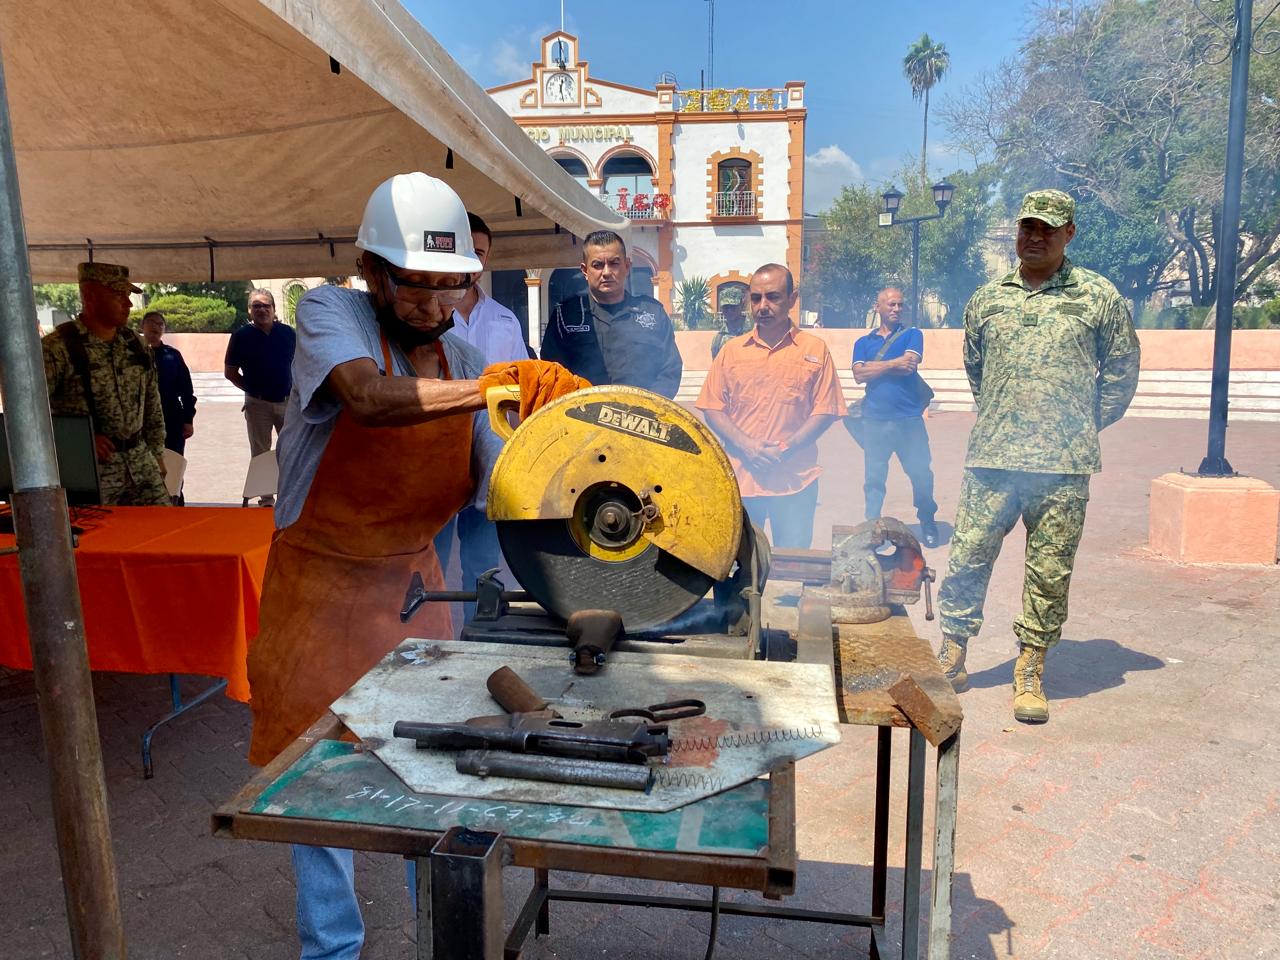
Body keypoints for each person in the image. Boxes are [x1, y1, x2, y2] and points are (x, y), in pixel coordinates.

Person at [244, 172, 586, 960]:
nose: (436, 306)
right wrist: (491, 389)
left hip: (413, 599)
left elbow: (503, 487)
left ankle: (442, 937)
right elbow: (368, 399)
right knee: (318, 795)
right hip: (319, 597)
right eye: (418, 287)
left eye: (451, 287)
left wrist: (566, 440)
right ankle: (331, 950)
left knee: (427, 786)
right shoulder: (332, 312)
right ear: (372, 269)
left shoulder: (464, 357)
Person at [935, 189, 1140, 724]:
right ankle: (953, 653)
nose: (1036, 237)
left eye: (1048, 229)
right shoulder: (987, 298)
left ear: (1069, 233)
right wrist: (1008, 416)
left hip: (1064, 465)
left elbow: (1121, 375)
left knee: (1049, 571)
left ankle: (1029, 668)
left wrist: (1077, 425)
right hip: (994, 458)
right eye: (1028, 227)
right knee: (967, 557)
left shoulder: (1099, 297)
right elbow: (977, 371)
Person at [696, 264, 844, 549]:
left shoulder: (814, 350)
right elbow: (712, 406)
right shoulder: (731, 351)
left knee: (791, 567)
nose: (763, 306)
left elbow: (826, 409)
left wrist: (784, 448)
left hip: (794, 482)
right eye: (756, 298)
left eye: (773, 297)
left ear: (792, 299)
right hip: (739, 481)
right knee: (735, 568)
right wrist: (747, 446)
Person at [433, 212, 528, 613]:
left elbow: (521, 383)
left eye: (480, 251)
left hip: (490, 455)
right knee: (431, 552)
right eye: (464, 249)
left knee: (483, 558)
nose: (473, 258)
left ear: (487, 258)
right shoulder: (429, 316)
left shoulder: (505, 319)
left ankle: (480, 631)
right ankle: (422, 632)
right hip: (438, 453)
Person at [41, 262, 169, 506]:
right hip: (91, 470)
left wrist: (157, 454)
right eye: (117, 294)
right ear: (90, 296)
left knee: (164, 532)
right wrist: (77, 439)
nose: (128, 303)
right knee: (94, 539)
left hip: (140, 463)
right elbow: (28, 414)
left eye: (127, 295)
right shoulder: (58, 347)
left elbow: (152, 405)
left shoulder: (135, 344)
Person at [540, 230, 683, 398]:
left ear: (627, 266)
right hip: (581, 418)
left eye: (614, 263)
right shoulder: (565, 316)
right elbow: (552, 373)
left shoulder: (652, 313)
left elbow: (670, 368)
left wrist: (648, 407)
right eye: (597, 265)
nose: (606, 272)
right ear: (585, 270)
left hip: (641, 418)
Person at [852, 287, 939, 547]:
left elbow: (909, 365)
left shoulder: (913, 335)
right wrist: (892, 364)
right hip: (875, 421)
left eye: (900, 305)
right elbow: (859, 375)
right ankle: (872, 527)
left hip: (909, 421)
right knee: (874, 479)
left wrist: (874, 368)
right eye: (891, 304)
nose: (897, 309)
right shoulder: (863, 343)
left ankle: (927, 519)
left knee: (921, 474)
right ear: (877, 307)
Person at [224, 288, 296, 504]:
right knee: (260, 452)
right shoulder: (240, 337)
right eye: (257, 306)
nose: (262, 309)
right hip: (258, 405)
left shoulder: (288, 334)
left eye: (266, 305)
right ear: (249, 311)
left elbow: (301, 364)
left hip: (287, 402)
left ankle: (290, 495)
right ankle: (266, 498)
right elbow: (230, 372)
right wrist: (253, 389)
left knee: (292, 449)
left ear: (274, 309)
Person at [139, 311, 197, 455]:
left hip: (171, 420)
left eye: (160, 324)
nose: (156, 327)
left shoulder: (172, 356)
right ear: (142, 326)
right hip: (141, 421)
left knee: (173, 468)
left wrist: (188, 420)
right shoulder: (131, 354)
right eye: (152, 322)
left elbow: (186, 390)